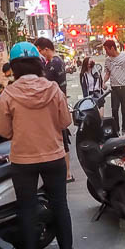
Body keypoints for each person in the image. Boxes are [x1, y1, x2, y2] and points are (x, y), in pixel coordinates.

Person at [0, 51, 79, 249]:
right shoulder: (53, 90)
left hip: (22, 159)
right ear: (39, 65)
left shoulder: (9, 94)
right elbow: (65, 121)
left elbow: (2, 130)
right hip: (53, 155)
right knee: (59, 203)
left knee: (26, 207)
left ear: (15, 68)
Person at [36, 36, 73, 182]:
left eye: (40, 51)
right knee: (61, 140)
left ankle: (67, 173)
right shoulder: (56, 61)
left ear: (46, 49)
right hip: (58, 103)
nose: (40, 54)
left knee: (61, 141)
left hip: (56, 105)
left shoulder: (54, 63)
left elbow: (44, 82)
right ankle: (67, 173)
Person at [102, 39, 125, 135]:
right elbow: (107, 73)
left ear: (112, 48)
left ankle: (124, 129)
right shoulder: (108, 60)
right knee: (114, 109)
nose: (106, 52)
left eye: (107, 49)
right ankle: (116, 130)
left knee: (124, 109)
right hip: (114, 88)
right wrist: (103, 82)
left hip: (124, 87)